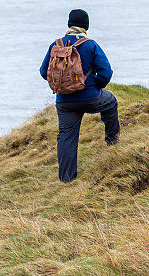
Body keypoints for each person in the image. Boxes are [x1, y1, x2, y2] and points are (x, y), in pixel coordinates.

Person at [39, 9, 119, 182]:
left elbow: (42, 71)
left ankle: (66, 179)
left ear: (69, 24)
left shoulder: (56, 45)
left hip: (64, 103)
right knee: (111, 102)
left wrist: (62, 86)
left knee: (67, 137)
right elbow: (106, 73)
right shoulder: (90, 45)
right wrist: (94, 86)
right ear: (86, 26)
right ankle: (113, 142)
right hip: (91, 98)